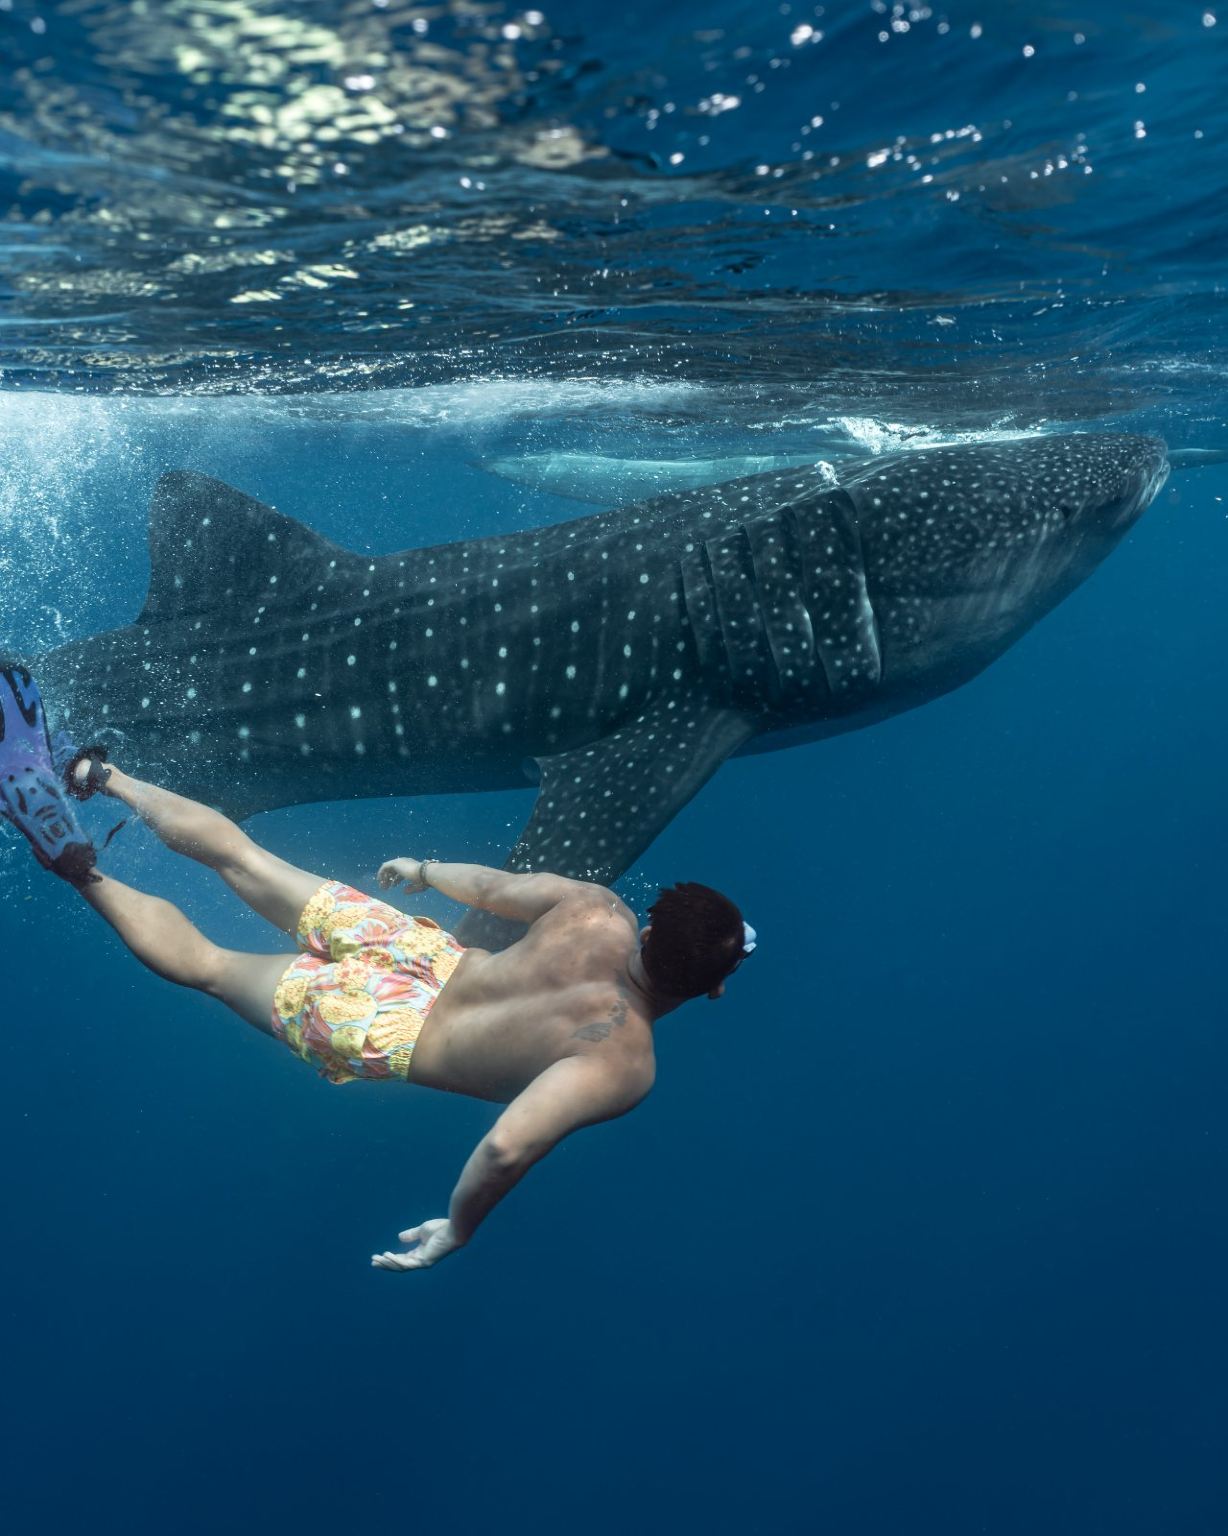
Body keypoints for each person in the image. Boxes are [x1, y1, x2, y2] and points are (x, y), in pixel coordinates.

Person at [0, 668, 756, 1272]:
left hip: (419, 951)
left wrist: (424, 869)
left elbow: (492, 889)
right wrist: (459, 1226)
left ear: (652, 924)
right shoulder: (623, 1061)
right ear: (713, 988)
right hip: (385, 1029)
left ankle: (94, 773)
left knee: (245, 855)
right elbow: (506, 1145)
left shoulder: (599, 911)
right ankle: (76, 865)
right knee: (207, 963)